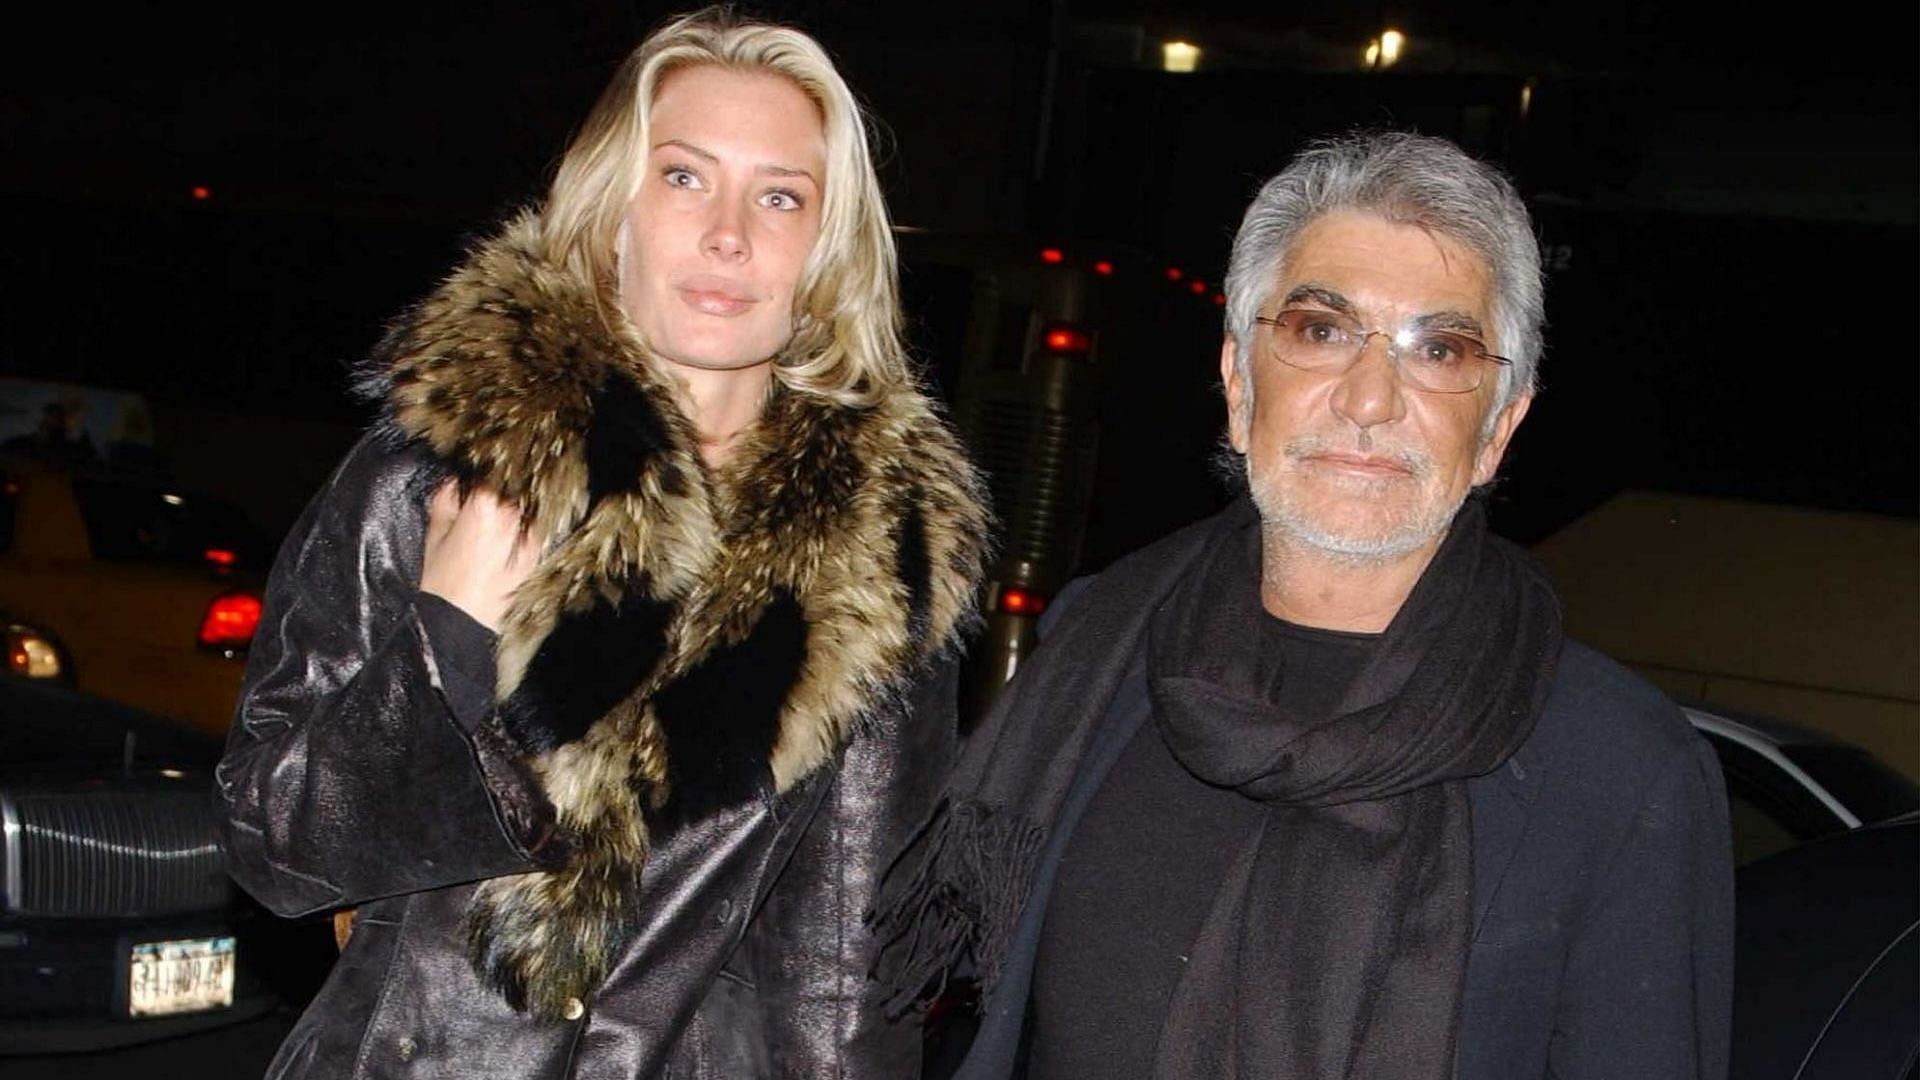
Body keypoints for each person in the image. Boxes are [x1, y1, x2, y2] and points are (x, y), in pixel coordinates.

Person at [215, 9, 989, 1078]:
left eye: (779, 196)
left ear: (825, 250)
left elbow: (843, 978)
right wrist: (446, 644)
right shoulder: (441, 472)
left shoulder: (875, 562)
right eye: (684, 178)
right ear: (610, 208)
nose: (730, 234)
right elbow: (274, 848)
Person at [874, 131, 1733, 1079]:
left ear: (1498, 428)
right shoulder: (1102, 649)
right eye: (1322, 331)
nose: (1370, 399)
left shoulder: (1621, 768)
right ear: (1240, 387)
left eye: (1439, 348)